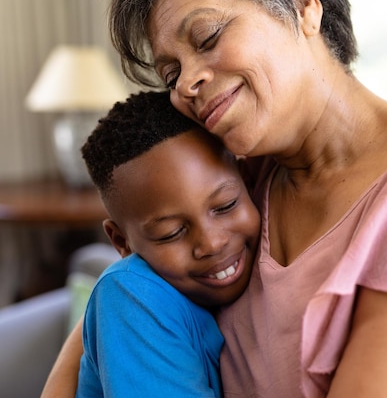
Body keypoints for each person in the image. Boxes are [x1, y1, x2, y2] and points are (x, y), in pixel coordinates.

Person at [42, 0, 387, 397]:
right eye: (171, 71)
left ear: (303, 4)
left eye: (206, 38)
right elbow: (117, 310)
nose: (185, 85)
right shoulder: (242, 183)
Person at [75, 90, 260, 397]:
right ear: (122, 242)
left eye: (226, 205)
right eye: (172, 233)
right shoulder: (130, 296)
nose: (212, 243)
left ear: (247, 180)